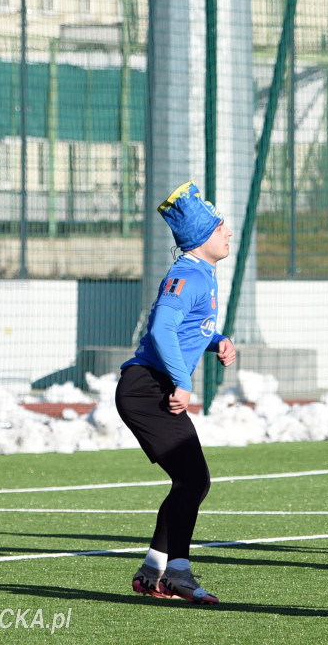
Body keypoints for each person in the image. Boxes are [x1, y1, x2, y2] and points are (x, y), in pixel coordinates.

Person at [117, 181, 237, 605]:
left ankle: (154, 570)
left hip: (150, 384)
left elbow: (186, 328)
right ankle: (177, 574)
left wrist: (216, 339)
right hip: (146, 387)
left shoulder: (201, 271)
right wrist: (183, 382)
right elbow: (162, 328)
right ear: (201, 236)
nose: (227, 232)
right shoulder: (188, 273)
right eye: (220, 226)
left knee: (190, 480)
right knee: (193, 479)